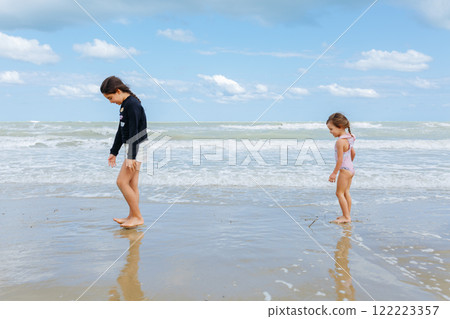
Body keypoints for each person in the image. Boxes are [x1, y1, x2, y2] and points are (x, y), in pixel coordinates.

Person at [101, 76, 148, 228]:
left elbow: (134, 132)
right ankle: (132, 216)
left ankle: (138, 217)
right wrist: (114, 152)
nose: (110, 101)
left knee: (121, 182)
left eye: (110, 97)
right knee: (132, 184)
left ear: (118, 91)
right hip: (135, 147)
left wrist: (131, 156)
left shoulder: (132, 105)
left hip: (137, 146)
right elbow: (121, 130)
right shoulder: (125, 105)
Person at [326, 113, 355, 224]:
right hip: (351, 169)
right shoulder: (350, 138)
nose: (330, 132)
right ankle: (346, 214)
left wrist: (334, 173)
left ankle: (346, 217)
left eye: (331, 129)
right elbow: (353, 153)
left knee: (339, 193)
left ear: (340, 127)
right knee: (346, 192)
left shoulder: (339, 142)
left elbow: (340, 160)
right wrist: (350, 165)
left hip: (344, 169)